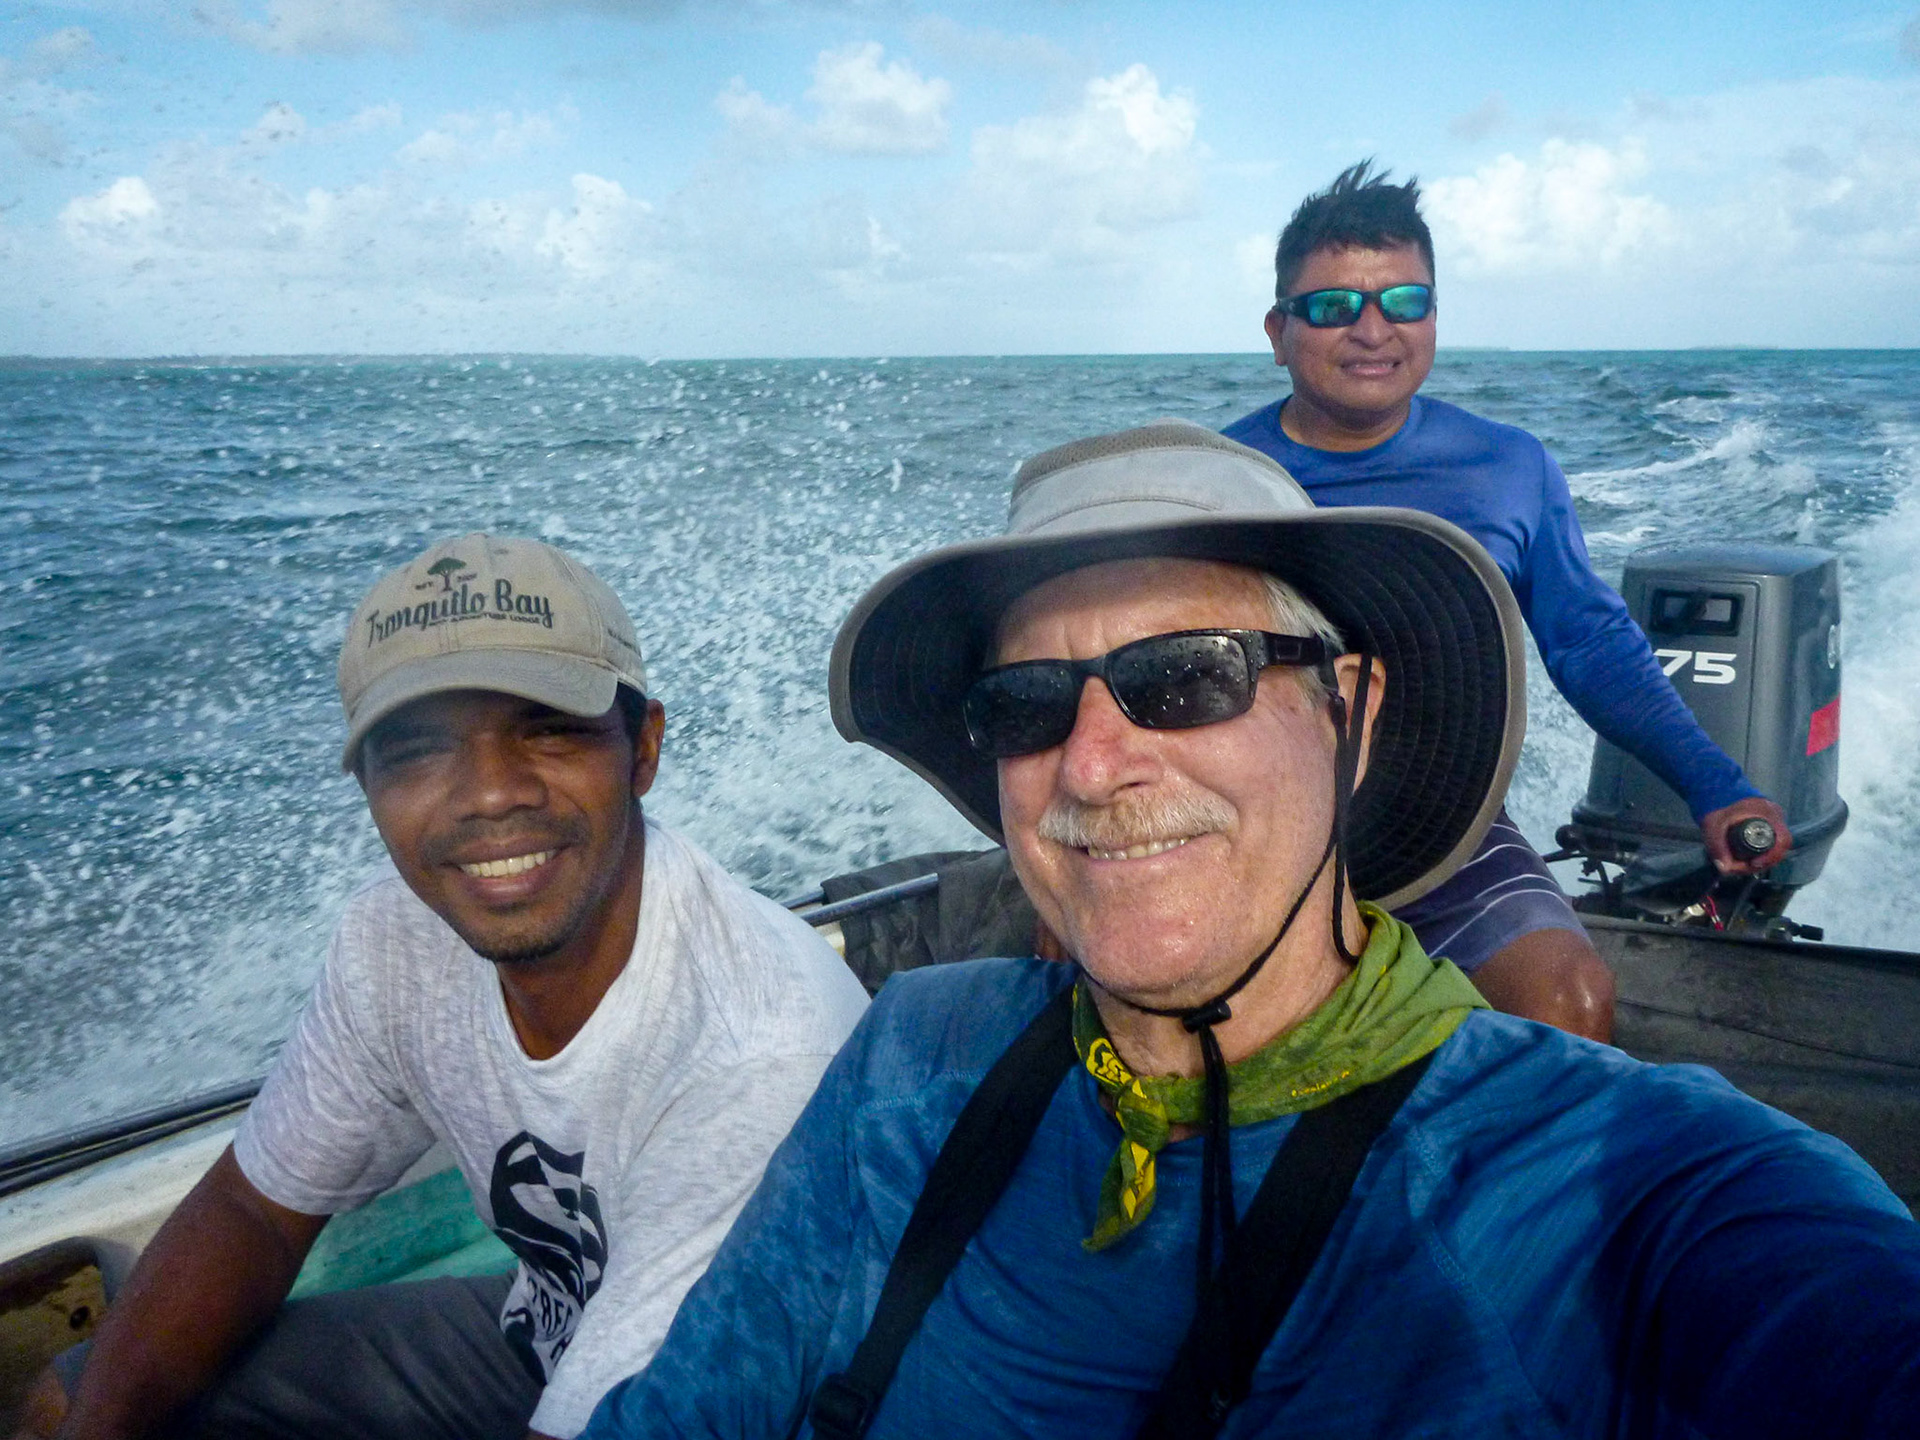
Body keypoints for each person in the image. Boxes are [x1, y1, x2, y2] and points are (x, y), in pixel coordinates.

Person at [581, 423, 1920, 1439]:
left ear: (1352, 709)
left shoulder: (1619, 1189)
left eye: (1185, 679)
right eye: (1030, 707)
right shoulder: (915, 1056)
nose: (1095, 766)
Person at [23, 535, 870, 1440]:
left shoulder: (760, 1049)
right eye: (418, 751)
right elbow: (253, 1213)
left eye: (547, 725)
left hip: (773, 1406)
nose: (491, 794)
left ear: (643, 748)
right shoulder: (396, 941)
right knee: (73, 1400)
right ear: (366, 786)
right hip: (547, 1336)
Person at [1222, 161, 1792, 1043]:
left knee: (1569, 1005)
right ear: (1278, 329)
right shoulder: (1217, 482)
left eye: (1403, 301)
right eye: (1334, 307)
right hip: (1248, 824)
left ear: (1434, 316)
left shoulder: (1508, 466)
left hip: (1447, 827)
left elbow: (1590, 644)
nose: (1373, 329)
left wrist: (1715, 787)